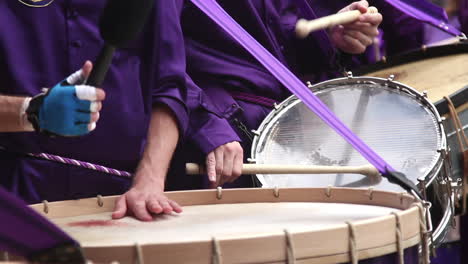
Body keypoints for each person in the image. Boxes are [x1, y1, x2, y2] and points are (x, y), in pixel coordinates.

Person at [0, 0, 191, 220]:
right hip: (13, 187)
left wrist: (150, 180)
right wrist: (28, 111)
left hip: (120, 198)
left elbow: (168, 86)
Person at [167, 0, 382, 190]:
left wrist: (332, 37)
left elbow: (277, 36)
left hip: (281, 128)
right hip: (217, 135)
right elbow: (155, 60)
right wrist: (208, 127)